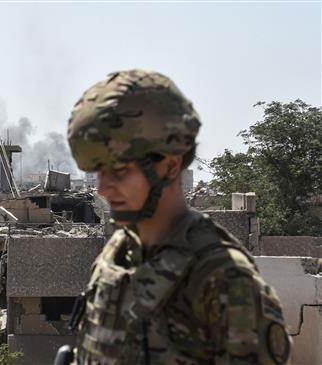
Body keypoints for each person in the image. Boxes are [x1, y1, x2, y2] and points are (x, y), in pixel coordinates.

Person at [64, 69, 291, 365]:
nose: (103, 188)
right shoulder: (118, 253)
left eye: (119, 171)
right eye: (98, 172)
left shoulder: (223, 278)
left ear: (170, 167)